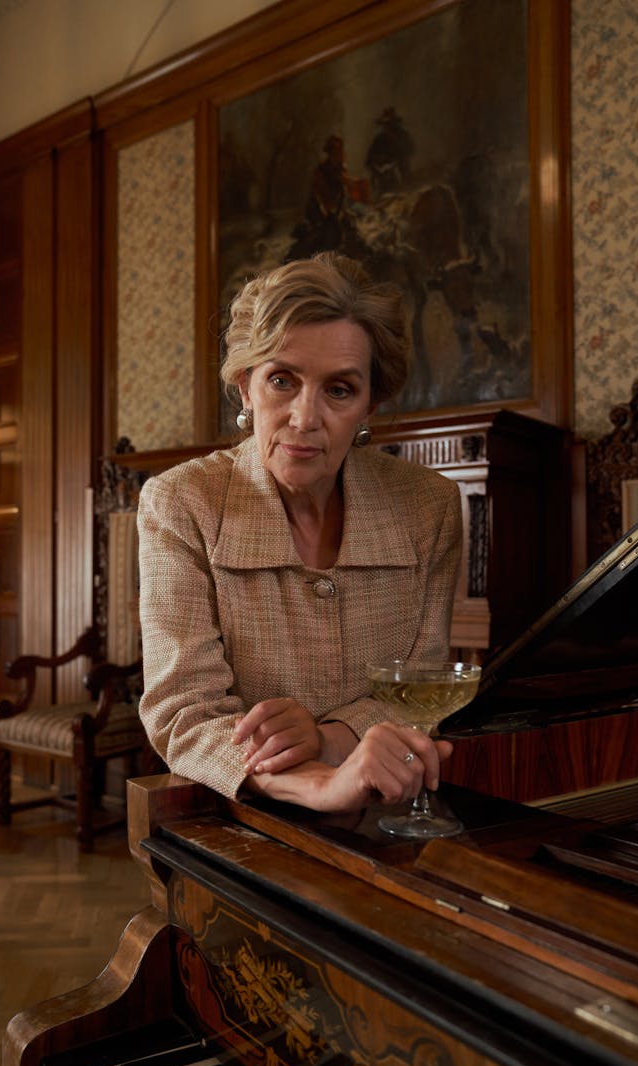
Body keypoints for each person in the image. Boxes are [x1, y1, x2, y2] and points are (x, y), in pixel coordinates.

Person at [138, 252, 462, 815]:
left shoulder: (427, 507)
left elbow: (421, 687)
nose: (305, 418)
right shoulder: (181, 503)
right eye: (282, 381)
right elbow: (183, 714)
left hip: (400, 806)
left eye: (339, 390)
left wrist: (329, 738)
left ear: (369, 405)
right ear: (245, 387)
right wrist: (316, 782)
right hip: (240, 819)